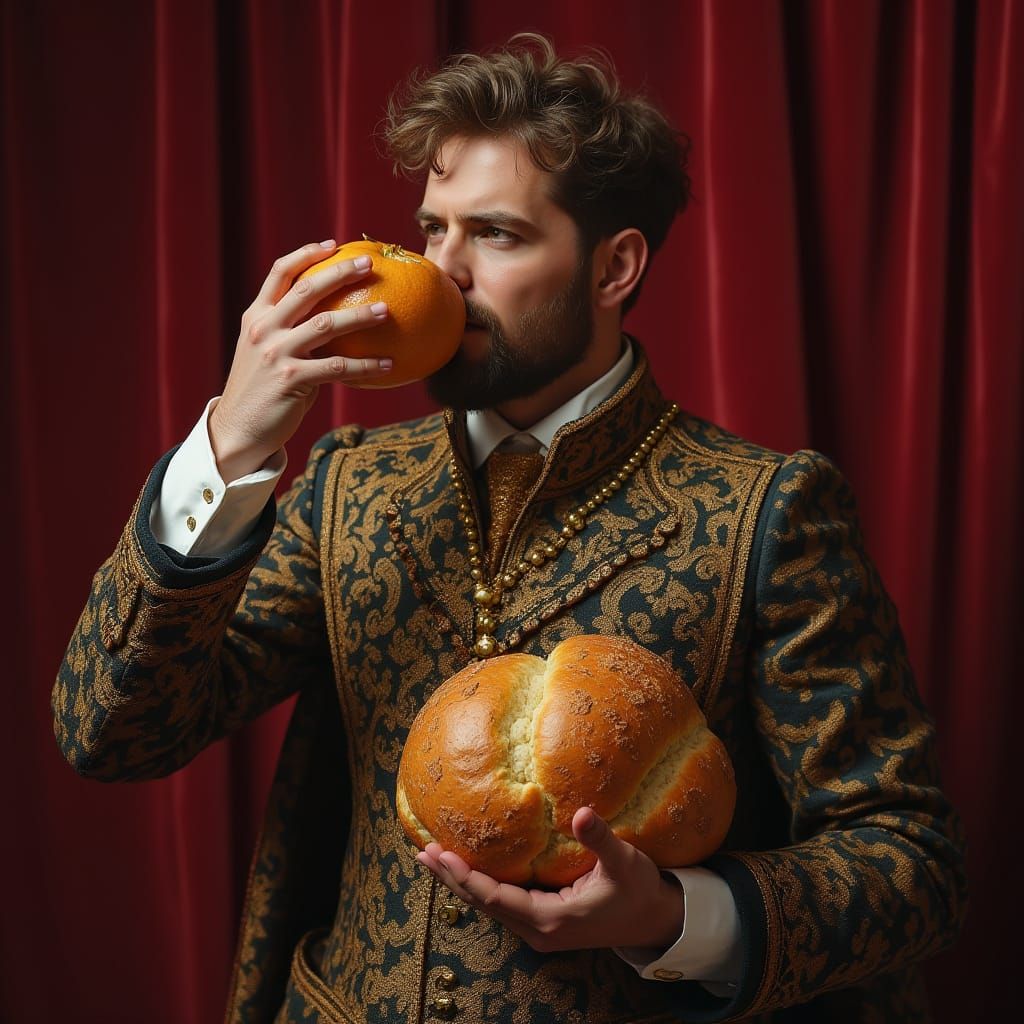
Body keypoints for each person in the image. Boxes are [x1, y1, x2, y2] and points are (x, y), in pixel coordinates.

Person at [53, 34, 967, 1024]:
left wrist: (673, 916)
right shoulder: (346, 487)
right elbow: (108, 732)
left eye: (492, 234)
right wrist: (229, 447)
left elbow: (905, 859)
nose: (440, 274)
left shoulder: (771, 509)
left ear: (615, 267)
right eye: (427, 230)